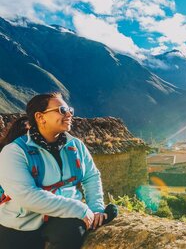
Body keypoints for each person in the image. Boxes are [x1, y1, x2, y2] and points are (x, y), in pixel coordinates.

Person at [0, 93, 108, 249]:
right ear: (40, 117)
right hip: (21, 222)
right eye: (62, 110)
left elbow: (91, 176)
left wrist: (96, 208)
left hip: (59, 216)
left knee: (74, 231)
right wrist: (79, 208)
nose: (70, 114)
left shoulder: (75, 146)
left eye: (69, 109)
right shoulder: (15, 151)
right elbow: (26, 195)